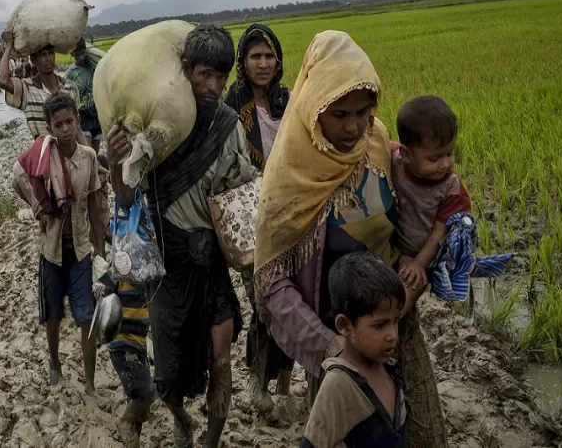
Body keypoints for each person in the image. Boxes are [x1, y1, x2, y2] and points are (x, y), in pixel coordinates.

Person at [255, 30, 448, 448]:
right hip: (336, 344)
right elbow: (271, 281)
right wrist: (331, 346)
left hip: (398, 324)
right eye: (340, 114)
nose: (355, 126)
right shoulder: (288, 179)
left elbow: (420, 214)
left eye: (364, 111)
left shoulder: (379, 145)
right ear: (313, 106)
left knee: (424, 434)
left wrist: (415, 273)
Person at [108, 25, 257, 448]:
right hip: (167, 267)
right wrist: (118, 160)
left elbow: (241, 197)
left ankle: (209, 441)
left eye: (220, 77)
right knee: (170, 376)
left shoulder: (229, 127)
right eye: (204, 75)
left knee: (222, 362)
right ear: (185, 72)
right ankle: (181, 419)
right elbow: (124, 195)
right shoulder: (158, 128)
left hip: (210, 262)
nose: (212, 87)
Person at [12, 93, 107, 393]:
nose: (65, 129)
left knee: (86, 315)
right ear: (50, 128)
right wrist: (37, 206)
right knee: (52, 313)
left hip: (80, 249)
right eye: (59, 124)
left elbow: (93, 203)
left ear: (78, 122)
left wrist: (100, 249)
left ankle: (90, 381)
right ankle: (55, 364)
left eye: (70, 122)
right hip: (51, 250)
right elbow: (19, 178)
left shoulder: (88, 157)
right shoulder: (42, 156)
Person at [224, 23, 295, 411]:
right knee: (266, 303)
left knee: (296, 298)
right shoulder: (230, 107)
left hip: (292, 216)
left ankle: (284, 382)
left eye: (269, 56)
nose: (264, 64)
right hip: (250, 220)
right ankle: (257, 380)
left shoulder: (290, 101)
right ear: (243, 62)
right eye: (255, 57)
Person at [301, 252, 408, 448]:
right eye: (380, 325)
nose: (392, 334)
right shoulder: (338, 386)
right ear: (345, 326)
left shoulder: (391, 372)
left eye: (396, 321)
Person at [392, 96, 471, 312]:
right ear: (406, 154)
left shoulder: (451, 187)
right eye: (434, 158)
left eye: (449, 153)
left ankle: (393, 322)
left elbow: (439, 234)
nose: (445, 164)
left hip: (426, 254)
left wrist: (419, 264)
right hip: (393, 247)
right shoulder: (392, 159)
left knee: (413, 284)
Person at [94, 272, 155, 448]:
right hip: (122, 344)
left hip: (140, 344)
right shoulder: (120, 270)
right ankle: (125, 421)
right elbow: (102, 286)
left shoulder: (151, 272)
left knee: (139, 406)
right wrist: (99, 289)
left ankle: (133, 441)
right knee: (147, 391)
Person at [0, 30, 80, 139]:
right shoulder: (27, 89)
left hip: (71, 150)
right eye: (43, 54)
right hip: (44, 152)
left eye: (51, 53)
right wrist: (8, 45)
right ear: (34, 60)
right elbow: (3, 81)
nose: (48, 58)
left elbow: (78, 126)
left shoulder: (70, 87)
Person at [66, 39, 106, 152]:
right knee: (88, 152)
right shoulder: (71, 73)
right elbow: (66, 94)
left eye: (83, 53)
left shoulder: (93, 67)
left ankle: (96, 169)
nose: (81, 57)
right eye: (77, 54)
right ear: (72, 54)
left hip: (96, 111)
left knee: (96, 150)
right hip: (83, 114)